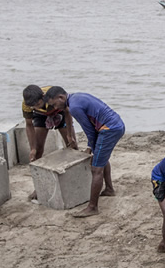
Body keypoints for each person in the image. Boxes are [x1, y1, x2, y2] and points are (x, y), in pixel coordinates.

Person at [42, 87, 125, 218]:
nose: (55, 108)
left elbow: (90, 131)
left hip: (109, 129)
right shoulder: (76, 97)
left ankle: (92, 207)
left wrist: (89, 149)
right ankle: (109, 189)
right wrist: (93, 149)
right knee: (101, 157)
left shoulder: (74, 107)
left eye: (54, 104)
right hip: (115, 124)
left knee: (96, 168)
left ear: (61, 98)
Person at [22, 85, 78, 200]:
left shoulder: (53, 95)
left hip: (59, 111)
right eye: (32, 106)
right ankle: (38, 187)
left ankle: (77, 178)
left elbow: (67, 113)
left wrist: (69, 134)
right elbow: (29, 125)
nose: (34, 106)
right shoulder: (28, 105)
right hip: (41, 115)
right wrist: (32, 148)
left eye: (37, 104)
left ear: (43, 97)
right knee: (37, 150)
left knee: (72, 145)